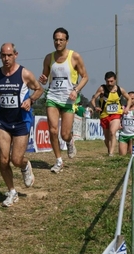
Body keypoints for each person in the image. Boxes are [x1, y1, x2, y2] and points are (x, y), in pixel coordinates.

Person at [0, 43, 44, 207]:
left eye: (9, 55)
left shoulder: (24, 73)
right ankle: (12, 192)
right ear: (0, 55)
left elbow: (39, 89)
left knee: (16, 159)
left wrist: (30, 100)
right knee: (3, 160)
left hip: (20, 121)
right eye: (3, 55)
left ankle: (25, 165)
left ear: (15, 55)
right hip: (3, 121)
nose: (6, 58)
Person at [39, 27, 89, 173]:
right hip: (53, 97)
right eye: (56, 39)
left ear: (67, 41)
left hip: (68, 98)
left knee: (64, 134)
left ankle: (70, 141)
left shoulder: (75, 57)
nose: (58, 42)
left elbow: (85, 77)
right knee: (53, 130)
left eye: (61, 39)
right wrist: (42, 79)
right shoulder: (49, 58)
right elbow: (45, 77)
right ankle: (58, 161)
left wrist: (76, 90)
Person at [90, 71, 131, 156]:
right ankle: (110, 150)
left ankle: (111, 153)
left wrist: (127, 108)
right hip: (104, 115)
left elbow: (129, 99)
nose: (109, 83)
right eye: (108, 81)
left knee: (112, 132)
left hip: (116, 114)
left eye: (111, 81)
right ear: (105, 80)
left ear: (115, 80)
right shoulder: (102, 89)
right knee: (107, 137)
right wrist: (95, 107)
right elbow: (93, 99)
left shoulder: (120, 90)